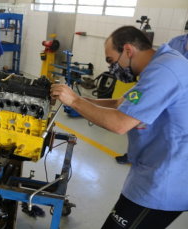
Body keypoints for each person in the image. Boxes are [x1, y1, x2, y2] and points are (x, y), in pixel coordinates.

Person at [51, 26, 188, 228]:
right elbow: (119, 104)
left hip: (164, 182)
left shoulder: (164, 71)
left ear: (128, 50)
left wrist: (74, 102)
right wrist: (77, 98)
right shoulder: (162, 64)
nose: (111, 68)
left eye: (110, 60)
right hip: (153, 171)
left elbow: (119, 123)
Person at [115, 32, 188, 165]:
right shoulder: (177, 41)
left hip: (182, 98)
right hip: (163, 94)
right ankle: (136, 154)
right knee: (148, 126)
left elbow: (118, 125)